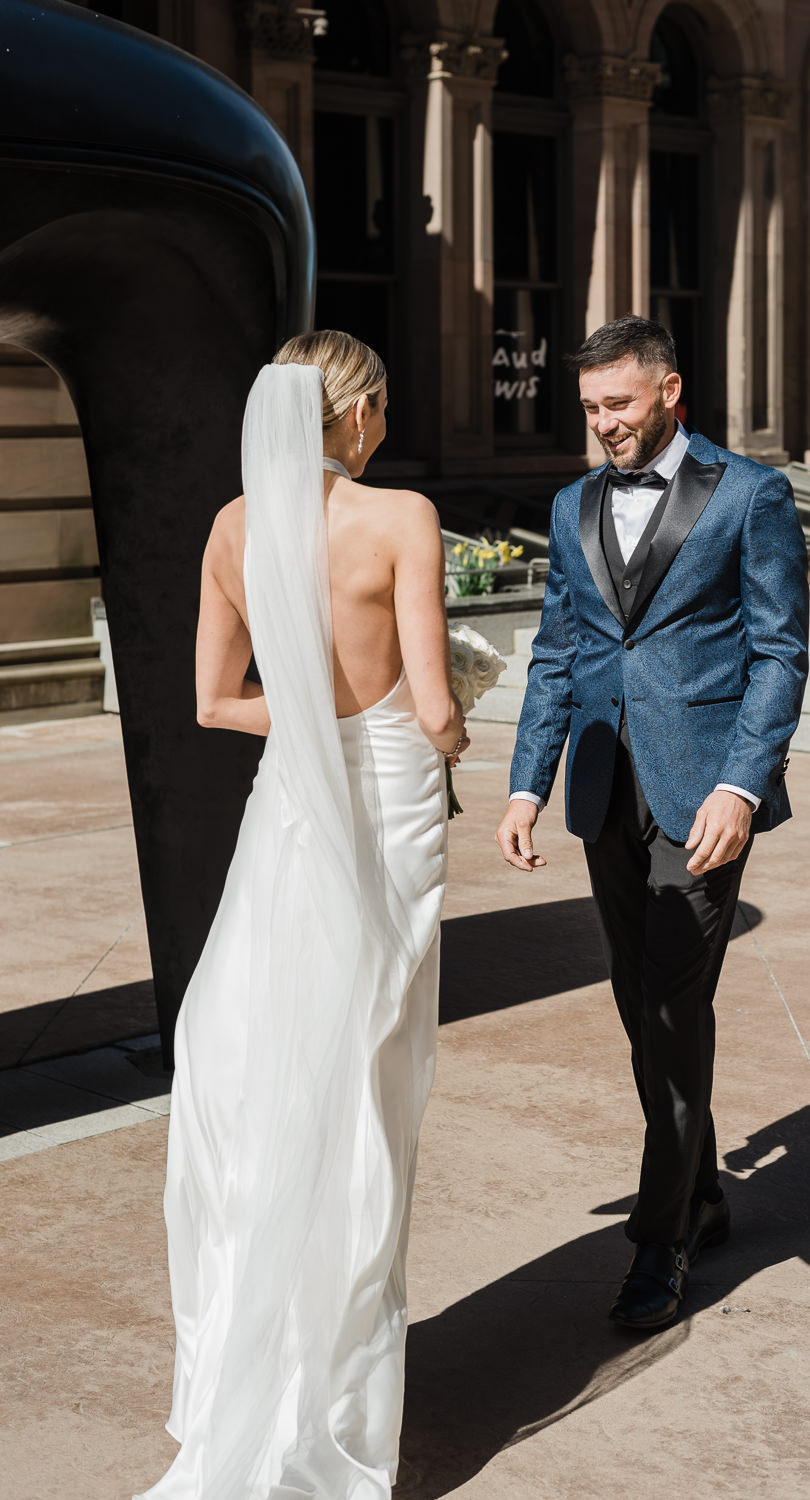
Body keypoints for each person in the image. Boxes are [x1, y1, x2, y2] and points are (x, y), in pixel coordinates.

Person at [136, 331, 468, 1500]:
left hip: (289, 814)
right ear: (360, 412)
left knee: (268, 1059)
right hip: (384, 814)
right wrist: (458, 708)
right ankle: (329, 1394)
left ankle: (249, 1366)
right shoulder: (401, 519)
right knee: (365, 1078)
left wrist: (316, 733)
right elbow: (429, 710)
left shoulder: (234, 530)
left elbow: (213, 701)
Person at [495, 315, 808, 1332]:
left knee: (672, 1009)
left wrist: (741, 786)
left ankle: (659, 1240)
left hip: (702, 798)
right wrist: (523, 784)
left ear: (671, 392)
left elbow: (778, 653)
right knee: (640, 1006)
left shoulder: (750, 495)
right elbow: (556, 651)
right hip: (599, 789)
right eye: (588, 409)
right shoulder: (571, 501)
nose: (603, 425)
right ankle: (703, 1193)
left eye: (618, 405)